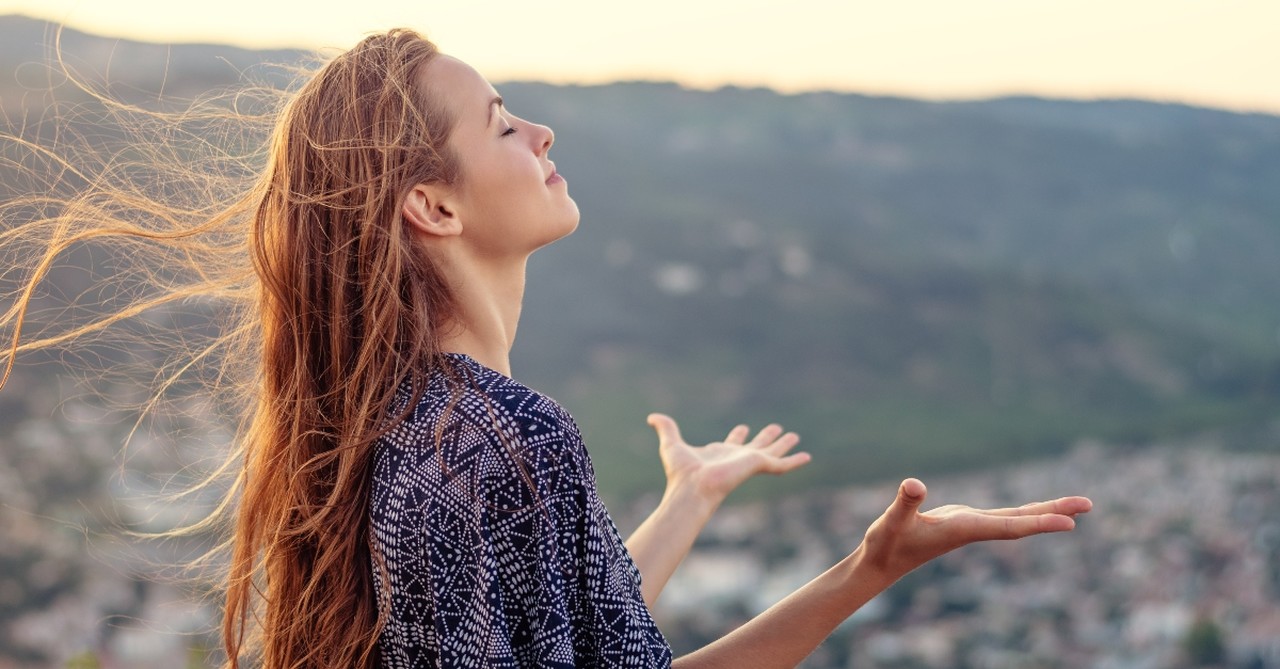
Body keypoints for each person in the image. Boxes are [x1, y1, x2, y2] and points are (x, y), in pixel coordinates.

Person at [0, 29, 1091, 668]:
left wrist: (685, 504)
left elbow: (579, 636)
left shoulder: (420, 429)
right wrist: (872, 568)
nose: (541, 133)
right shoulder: (501, 435)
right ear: (432, 203)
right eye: (501, 122)